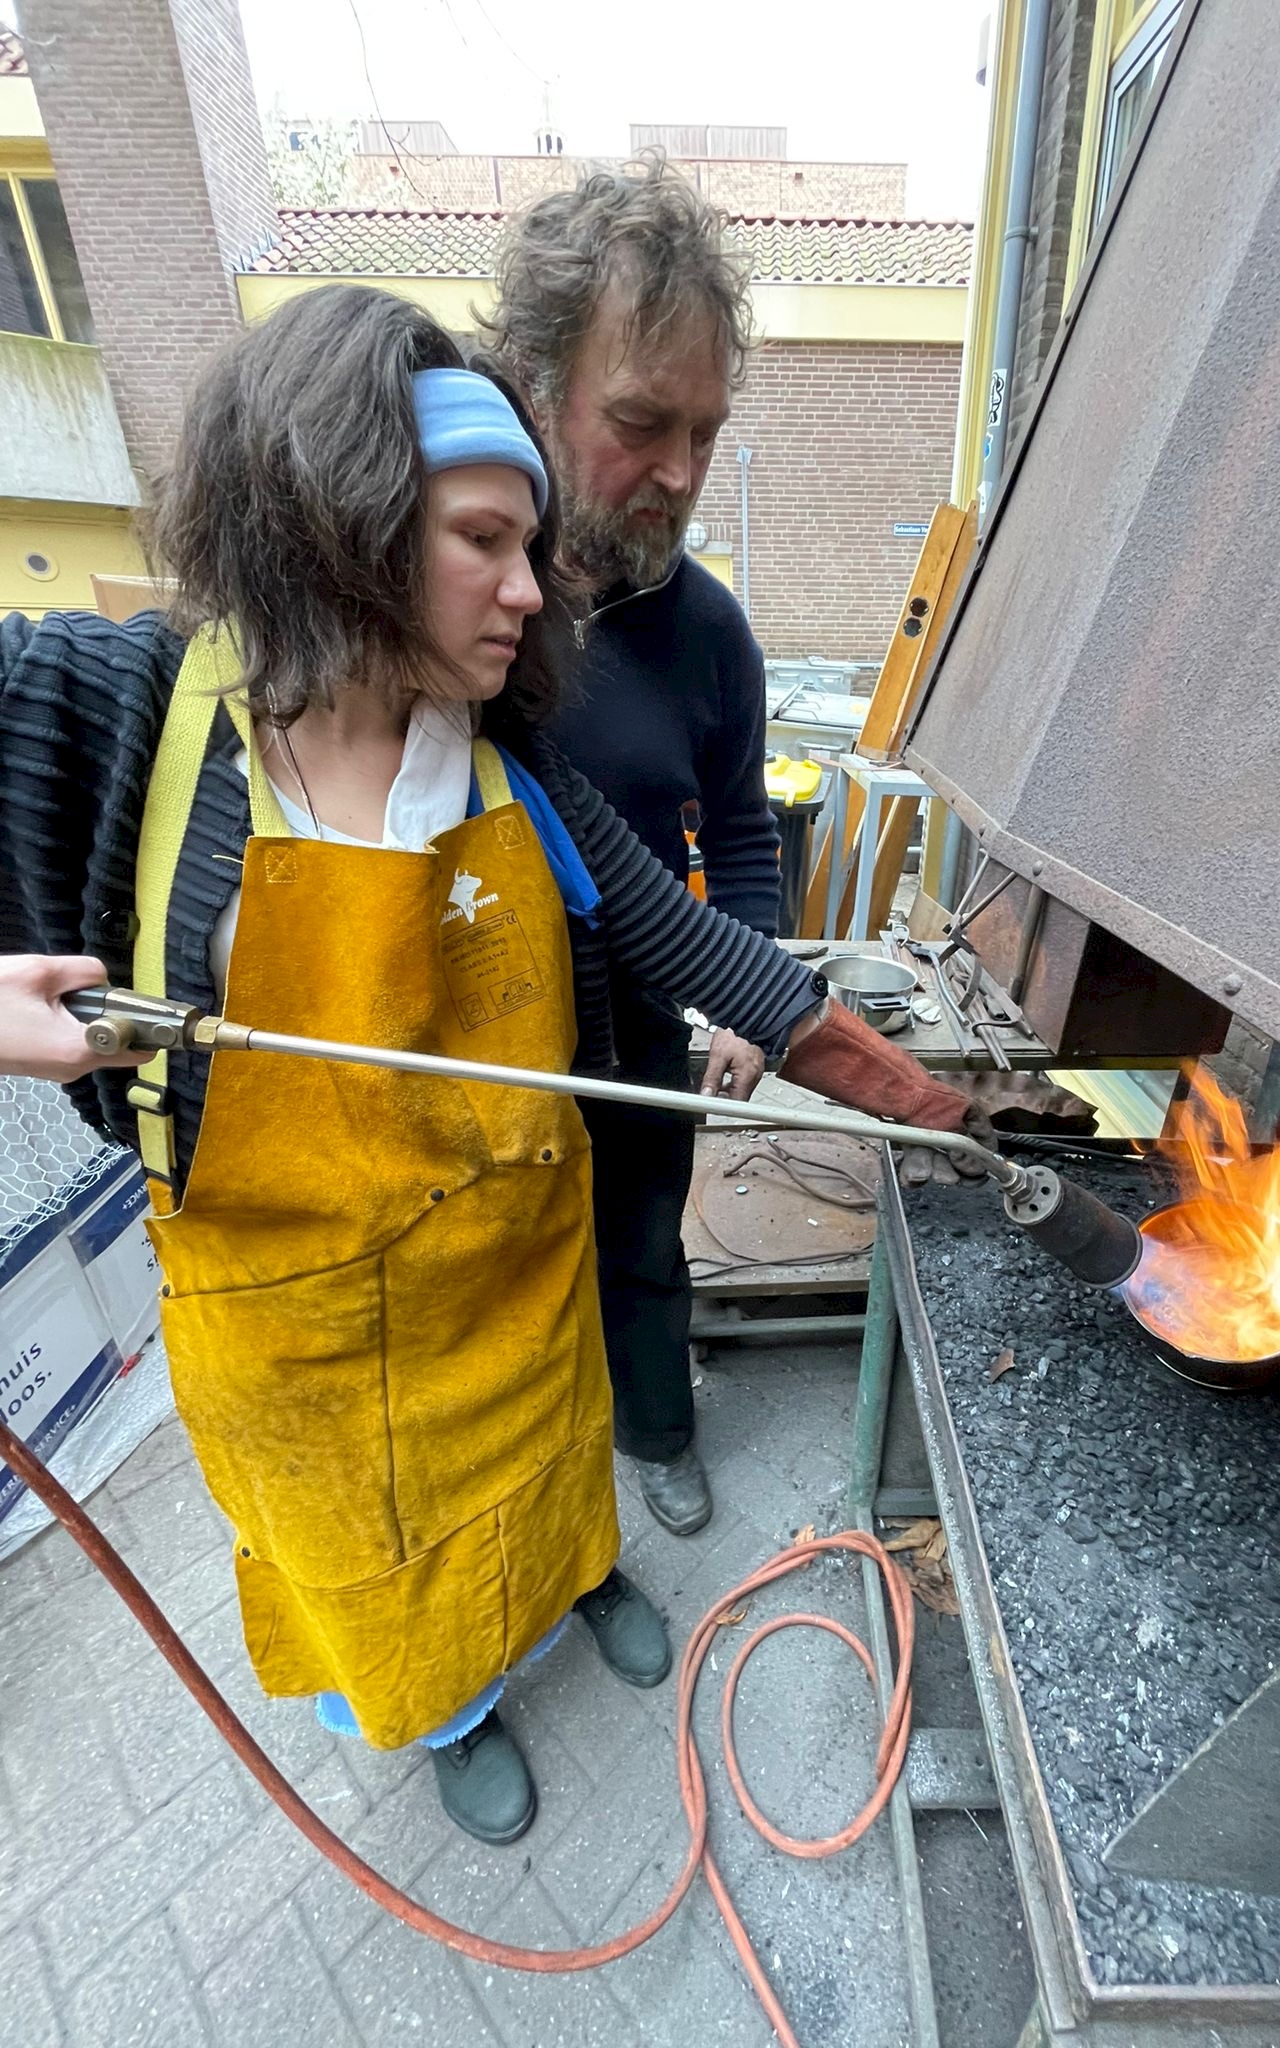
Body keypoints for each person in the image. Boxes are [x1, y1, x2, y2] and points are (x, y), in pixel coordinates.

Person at [0, 284, 977, 1847]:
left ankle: (580, 1581)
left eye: (528, 544)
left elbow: (707, 953)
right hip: (292, 1319)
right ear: (339, 520)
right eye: (481, 542)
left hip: (510, 1268)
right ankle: (448, 1714)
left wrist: (945, 1117)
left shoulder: (507, 766)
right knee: (376, 1558)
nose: (531, 589)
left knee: (544, 1463)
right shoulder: (110, 710)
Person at [489, 160, 776, 1542]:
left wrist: (753, 990)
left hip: (638, 1026)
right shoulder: (454, 605)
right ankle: (533, 1514)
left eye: (705, 433)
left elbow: (736, 826)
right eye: (640, 422)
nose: (676, 473)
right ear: (536, 386)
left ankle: (657, 1428)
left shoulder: (709, 636)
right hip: (468, 1035)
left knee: (644, 1241)